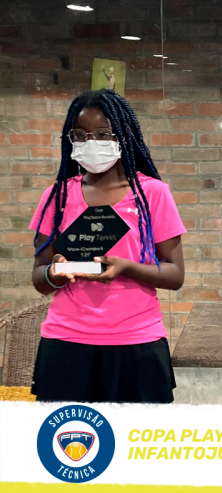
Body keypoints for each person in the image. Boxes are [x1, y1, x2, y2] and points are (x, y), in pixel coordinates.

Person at [30, 89, 186, 403]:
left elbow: (175, 275)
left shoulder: (152, 194)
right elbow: (39, 277)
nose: (91, 143)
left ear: (123, 137)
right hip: (66, 341)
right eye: (81, 135)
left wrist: (126, 267)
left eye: (103, 134)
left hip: (137, 342)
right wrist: (54, 273)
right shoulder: (57, 197)